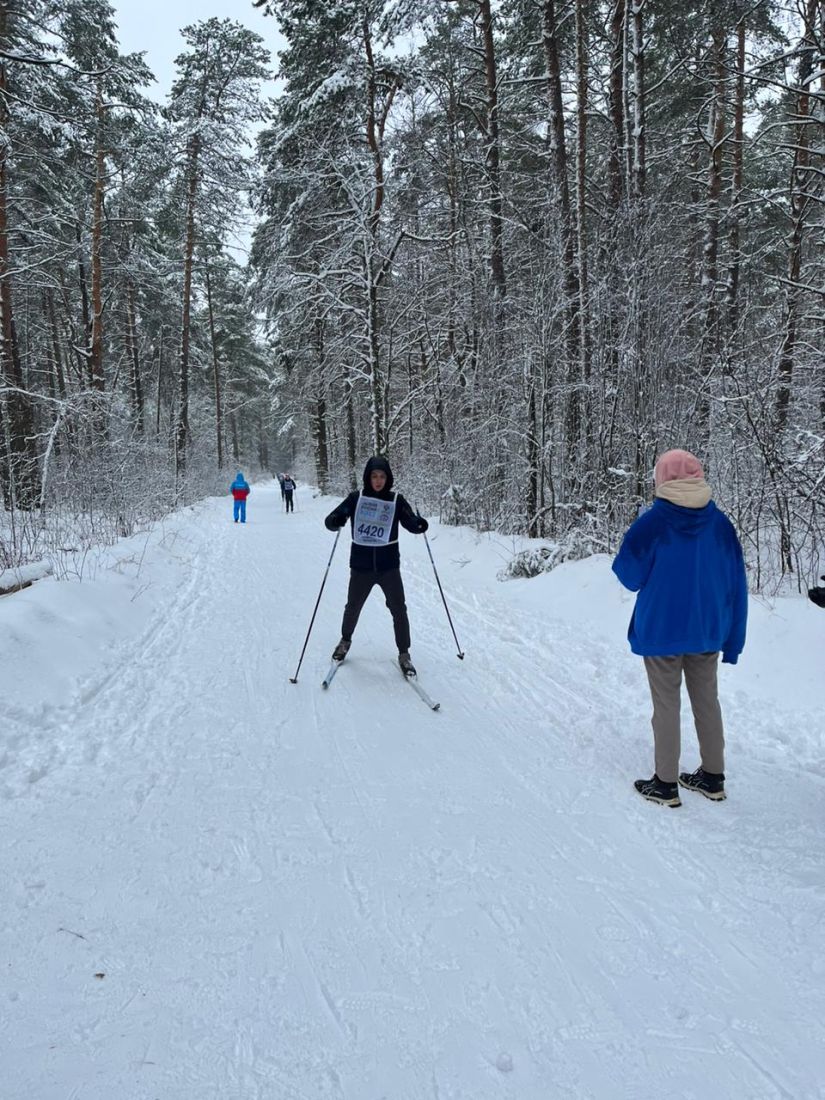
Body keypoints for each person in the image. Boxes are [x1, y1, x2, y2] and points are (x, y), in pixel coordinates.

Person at [612, 449, 748, 808]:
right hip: (707, 629)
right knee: (707, 702)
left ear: (661, 479)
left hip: (662, 630)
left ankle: (665, 784)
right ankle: (713, 777)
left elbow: (628, 575)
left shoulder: (652, 523)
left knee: (666, 705)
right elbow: (737, 582)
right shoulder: (721, 524)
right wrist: (734, 639)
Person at [325, 455, 428, 676]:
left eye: (382, 476)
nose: (378, 481)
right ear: (368, 477)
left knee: (399, 609)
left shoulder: (396, 500)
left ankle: (404, 653)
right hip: (361, 567)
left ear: (388, 478)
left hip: (388, 567)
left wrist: (419, 525)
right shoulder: (356, 498)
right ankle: (345, 641)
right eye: (374, 476)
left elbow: (409, 521)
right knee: (353, 607)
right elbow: (332, 519)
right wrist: (335, 521)